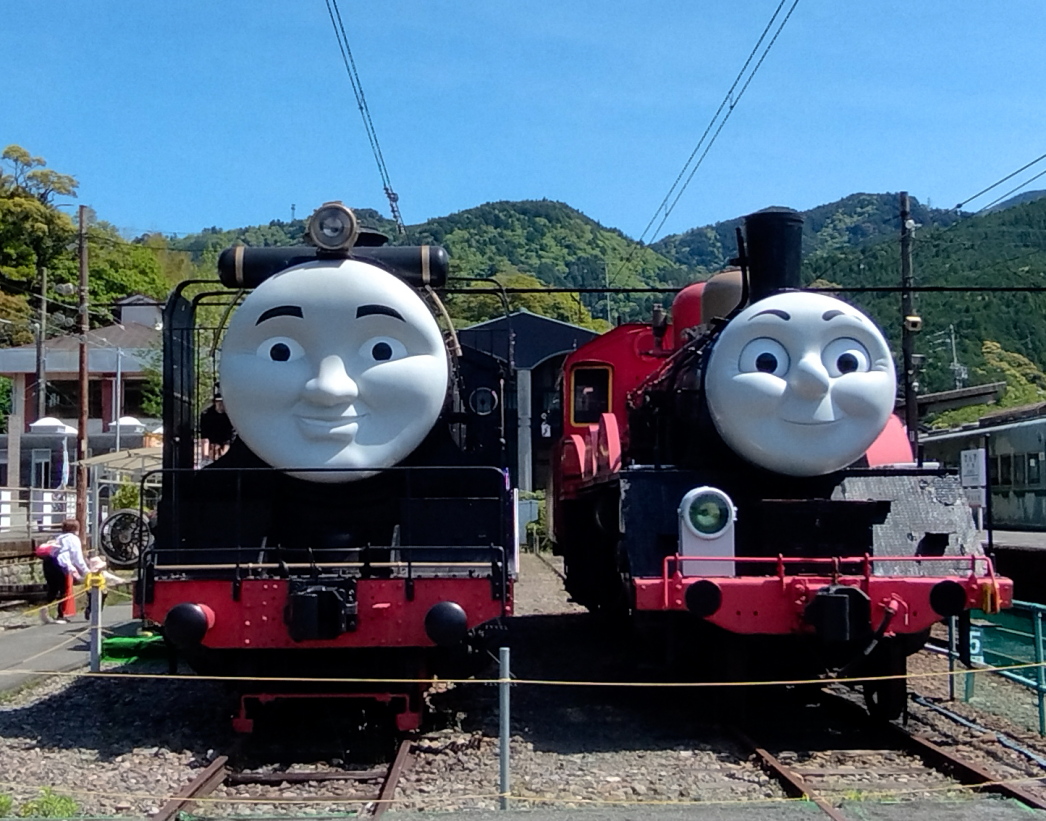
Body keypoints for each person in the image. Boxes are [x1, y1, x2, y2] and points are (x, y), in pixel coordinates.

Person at [39, 518, 88, 624]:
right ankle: (60, 616)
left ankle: (45, 607)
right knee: (64, 590)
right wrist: (87, 571)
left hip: (48, 562)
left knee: (53, 589)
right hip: (60, 565)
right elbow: (78, 559)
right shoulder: (73, 539)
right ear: (76, 528)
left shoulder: (59, 537)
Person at [82, 555, 127, 621]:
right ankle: (89, 611)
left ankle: (98, 611)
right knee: (92, 603)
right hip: (92, 591)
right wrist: (89, 590)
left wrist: (121, 580)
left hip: (102, 591)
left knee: (100, 602)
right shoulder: (89, 575)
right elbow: (87, 583)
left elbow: (112, 578)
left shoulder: (103, 573)